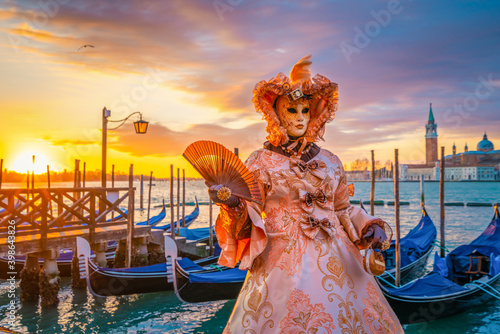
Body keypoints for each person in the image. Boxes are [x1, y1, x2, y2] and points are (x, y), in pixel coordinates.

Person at [209, 56, 403, 333]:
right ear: (276, 114)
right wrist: (230, 202)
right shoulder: (261, 161)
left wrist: (370, 225)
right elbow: (250, 212)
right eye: (292, 110)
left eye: (305, 111)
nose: (300, 117)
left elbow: (342, 209)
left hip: (339, 260)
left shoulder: (330, 161)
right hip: (282, 262)